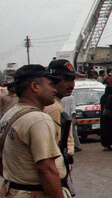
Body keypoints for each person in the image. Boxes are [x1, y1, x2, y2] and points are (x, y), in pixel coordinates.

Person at [0, 65, 69, 198]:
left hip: (12, 190)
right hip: (35, 192)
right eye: (50, 85)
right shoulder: (38, 119)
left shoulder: (9, 115)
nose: (54, 90)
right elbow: (47, 169)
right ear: (35, 86)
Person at [43, 60, 78, 157]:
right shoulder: (52, 107)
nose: (71, 84)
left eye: (72, 79)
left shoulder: (56, 103)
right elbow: (54, 148)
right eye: (66, 79)